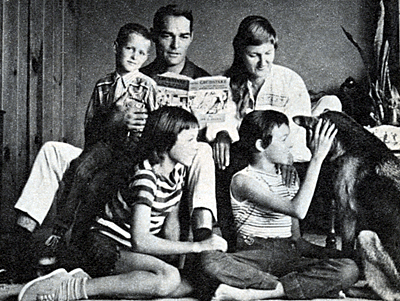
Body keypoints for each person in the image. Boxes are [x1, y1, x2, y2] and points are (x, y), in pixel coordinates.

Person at [17, 107, 228, 301]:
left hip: (132, 249)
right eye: (190, 140)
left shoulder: (177, 171)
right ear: (166, 143)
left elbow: (170, 219)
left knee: (188, 282)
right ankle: (70, 288)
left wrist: (174, 259)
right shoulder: (146, 178)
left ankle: (104, 283)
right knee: (168, 279)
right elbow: (141, 241)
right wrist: (197, 246)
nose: (196, 147)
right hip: (105, 245)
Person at [7, 22, 157, 281]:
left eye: (141, 53)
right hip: (103, 147)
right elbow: (90, 132)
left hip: (132, 152)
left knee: (96, 180)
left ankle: (71, 244)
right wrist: (114, 120)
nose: (134, 56)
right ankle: (24, 241)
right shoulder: (103, 85)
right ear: (116, 48)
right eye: (129, 49)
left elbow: (156, 128)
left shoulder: (147, 86)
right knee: (74, 164)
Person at [200, 110, 359, 301]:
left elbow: (297, 239)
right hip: (252, 256)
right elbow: (297, 210)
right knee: (209, 260)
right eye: (283, 139)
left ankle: (261, 291)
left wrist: (335, 255)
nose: (289, 144)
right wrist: (317, 158)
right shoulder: (243, 180)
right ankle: (293, 287)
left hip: (288, 255)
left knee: (350, 268)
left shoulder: (290, 176)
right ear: (260, 145)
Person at [209, 15, 342, 171]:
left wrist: (286, 157)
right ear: (240, 53)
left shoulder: (290, 80)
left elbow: (296, 130)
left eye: (268, 53)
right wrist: (222, 133)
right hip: (245, 157)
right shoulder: (224, 81)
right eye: (253, 55)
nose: (262, 63)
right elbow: (220, 119)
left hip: (284, 156)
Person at [140, 4, 221, 244]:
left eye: (183, 37)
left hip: (184, 158)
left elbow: (217, 127)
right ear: (155, 35)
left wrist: (213, 129)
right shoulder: (141, 77)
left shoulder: (203, 79)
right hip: (149, 154)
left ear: (191, 38)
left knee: (205, 149)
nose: (176, 45)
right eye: (167, 36)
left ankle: (203, 234)